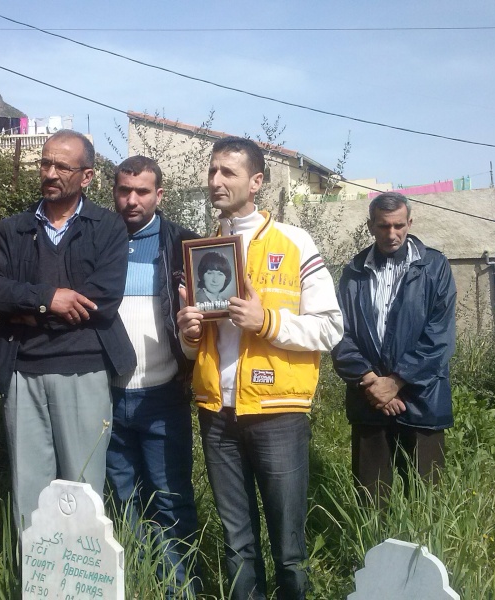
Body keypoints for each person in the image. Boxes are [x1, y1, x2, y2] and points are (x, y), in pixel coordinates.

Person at [177, 137, 343, 600]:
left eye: (227, 172)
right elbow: (196, 350)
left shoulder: (294, 242)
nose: (215, 181)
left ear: (256, 181)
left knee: (289, 547)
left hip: (278, 414)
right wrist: (188, 334)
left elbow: (331, 328)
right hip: (217, 413)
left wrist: (266, 321)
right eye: (212, 172)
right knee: (237, 545)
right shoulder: (203, 249)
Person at [0, 130, 135, 530]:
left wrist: (24, 309)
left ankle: (82, 586)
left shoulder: (108, 227)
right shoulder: (14, 229)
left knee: (81, 492)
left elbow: (102, 300)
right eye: (45, 163)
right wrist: (49, 298)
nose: (50, 172)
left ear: (87, 176)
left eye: (62, 166)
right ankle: (34, 583)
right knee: (31, 495)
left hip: (83, 370)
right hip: (22, 371)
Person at [106, 155, 200, 595]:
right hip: (104, 396)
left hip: (163, 396)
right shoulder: (96, 239)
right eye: (124, 190)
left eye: (142, 191)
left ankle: (179, 589)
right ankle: (139, 583)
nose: (132, 200)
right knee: (122, 500)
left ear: (159, 195)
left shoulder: (184, 244)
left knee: (170, 500)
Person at [331, 192, 456, 503]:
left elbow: (439, 336)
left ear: (409, 223)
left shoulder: (434, 267)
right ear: (371, 225)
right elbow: (338, 332)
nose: (392, 234)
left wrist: (396, 381)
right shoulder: (354, 271)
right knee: (371, 503)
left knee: (427, 503)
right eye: (383, 226)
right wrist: (372, 383)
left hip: (423, 400)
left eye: (399, 225)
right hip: (369, 402)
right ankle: (372, 553)